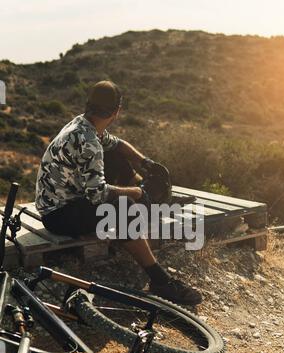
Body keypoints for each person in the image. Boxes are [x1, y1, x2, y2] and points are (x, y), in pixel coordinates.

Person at [35, 80, 202, 305]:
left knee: (115, 155)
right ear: (117, 111)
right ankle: (160, 280)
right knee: (124, 209)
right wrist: (135, 192)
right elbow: (98, 195)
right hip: (59, 216)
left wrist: (146, 162)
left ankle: (151, 200)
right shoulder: (90, 142)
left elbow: (117, 144)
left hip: (63, 202)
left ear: (89, 105)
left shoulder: (82, 124)